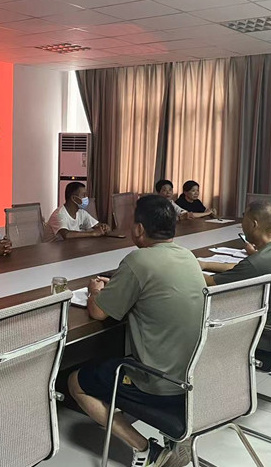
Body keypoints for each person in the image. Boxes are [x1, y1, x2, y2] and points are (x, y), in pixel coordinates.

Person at [68, 195, 205, 467]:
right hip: (193, 374)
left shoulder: (138, 260)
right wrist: (120, 285)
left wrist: (95, 291)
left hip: (157, 381)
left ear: (139, 229)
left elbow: (98, 312)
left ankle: (146, 450)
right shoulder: (188, 256)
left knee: (75, 382)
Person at [199, 201, 271, 323]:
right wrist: (206, 264)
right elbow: (240, 268)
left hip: (258, 323)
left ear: (253, 224)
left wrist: (188, 267)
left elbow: (211, 283)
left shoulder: (255, 263)